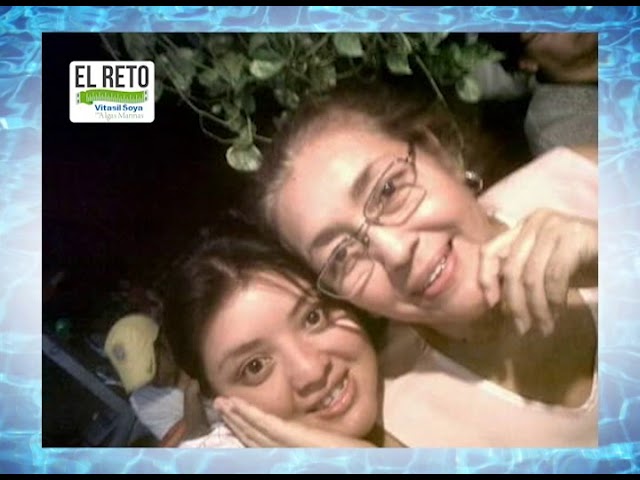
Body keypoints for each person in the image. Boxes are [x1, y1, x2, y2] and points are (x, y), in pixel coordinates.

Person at [248, 81, 598, 447]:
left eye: (388, 191)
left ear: (439, 155)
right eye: (341, 256)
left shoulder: (584, 179)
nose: (396, 252)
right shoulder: (406, 431)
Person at [161, 233, 400, 447]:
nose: (312, 372)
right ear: (215, 399)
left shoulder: (412, 345)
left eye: (313, 317)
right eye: (255, 366)